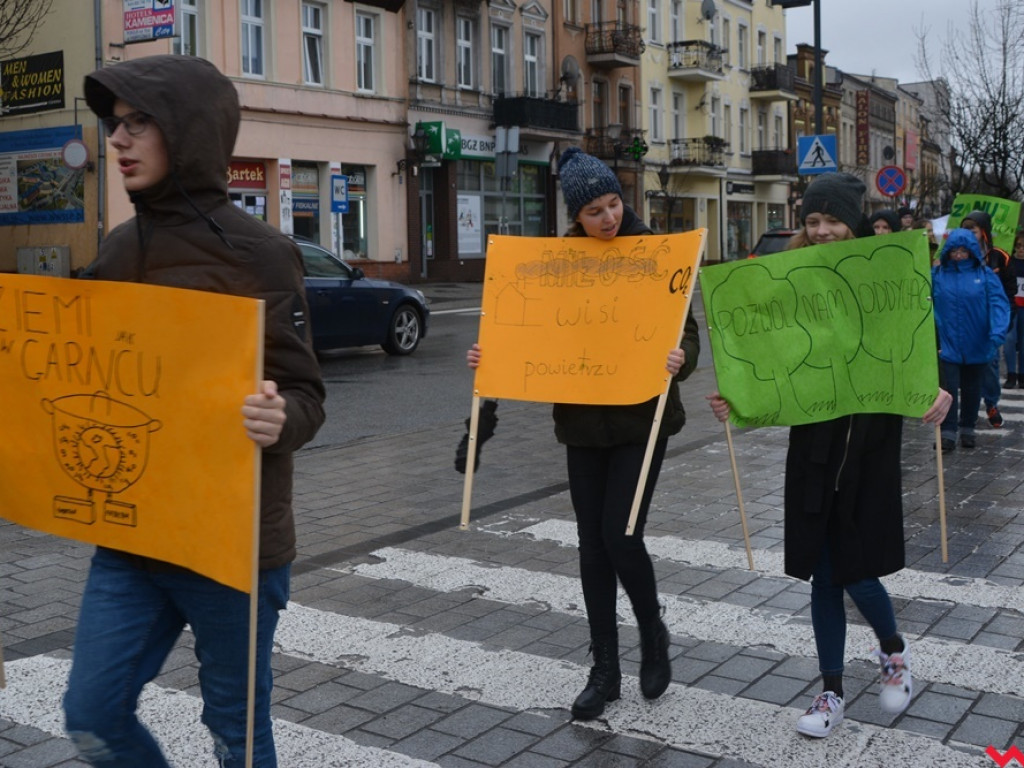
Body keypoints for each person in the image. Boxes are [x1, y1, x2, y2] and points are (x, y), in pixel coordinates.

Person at [64, 55, 326, 766]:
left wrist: (281, 421)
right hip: (133, 538)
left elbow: (306, 395)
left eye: (139, 121)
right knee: (89, 713)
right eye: (114, 124)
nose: (117, 140)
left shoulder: (264, 255)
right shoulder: (117, 252)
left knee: (236, 732)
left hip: (232, 545)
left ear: (191, 131)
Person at [707, 172, 952, 739]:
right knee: (823, 575)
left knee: (857, 571)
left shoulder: (885, 271)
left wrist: (936, 390)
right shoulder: (789, 280)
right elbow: (768, 359)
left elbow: (915, 344)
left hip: (867, 449)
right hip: (814, 452)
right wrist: (736, 402)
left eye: (832, 219)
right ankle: (831, 690)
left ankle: (893, 653)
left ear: (855, 219)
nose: (821, 230)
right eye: (812, 220)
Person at [467, 147, 699, 721]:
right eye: (595, 210)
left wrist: (681, 358)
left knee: (621, 536)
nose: (609, 217)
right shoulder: (559, 262)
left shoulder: (656, 253)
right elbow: (531, 331)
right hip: (581, 421)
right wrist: (489, 355)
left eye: (614, 203)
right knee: (591, 548)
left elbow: (686, 333)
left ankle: (652, 632)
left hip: (643, 420)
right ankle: (605, 671)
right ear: (575, 215)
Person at [932, 228, 1010, 451]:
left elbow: (999, 304)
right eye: (954, 251)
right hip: (948, 344)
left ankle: (967, 428)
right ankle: (947, 432)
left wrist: (997, 332)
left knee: (972, 389)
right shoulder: (937, 275)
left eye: (963, 251)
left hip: (978, 343)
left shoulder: (986, 276)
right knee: (948, 390)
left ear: (972, 252)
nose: (958, 255)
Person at [960, 210, 1013, 427]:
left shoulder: (999, 256)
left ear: (983, 232)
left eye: (972, 231)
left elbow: (1009, 290)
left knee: (991, 364)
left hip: (991, 321)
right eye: (965, 231)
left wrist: (1007, 318)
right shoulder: (958, 255)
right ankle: (966, 412)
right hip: (966, 321)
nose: (969, 235)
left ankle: (991, 402)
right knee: (965, 367)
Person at [1004, 234, 1024, 388]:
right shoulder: (1009, 262)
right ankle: (1011, 375)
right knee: (1010, 340)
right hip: (1011, 306)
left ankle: (1022, 375)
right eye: (1018, 246)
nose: (1021, 249)